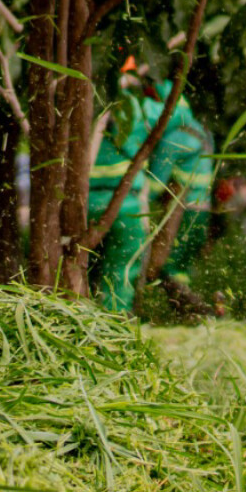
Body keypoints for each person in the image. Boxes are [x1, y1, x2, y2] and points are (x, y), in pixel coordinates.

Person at [86, 60, 156, 314]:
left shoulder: (87, 103)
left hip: (84, 202)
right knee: (121, 270)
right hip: (128, 204)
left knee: (75, 265)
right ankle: (114, 323)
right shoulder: (141, 106)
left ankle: (75, 318)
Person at [148, 78, 217, 288]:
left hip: (182, 211)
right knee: (181, 270)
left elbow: (155, 185)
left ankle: (188, 310)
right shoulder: (202, 131)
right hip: (202, 211)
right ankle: (192, 314)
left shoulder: (175, 138)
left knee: (164, 268)